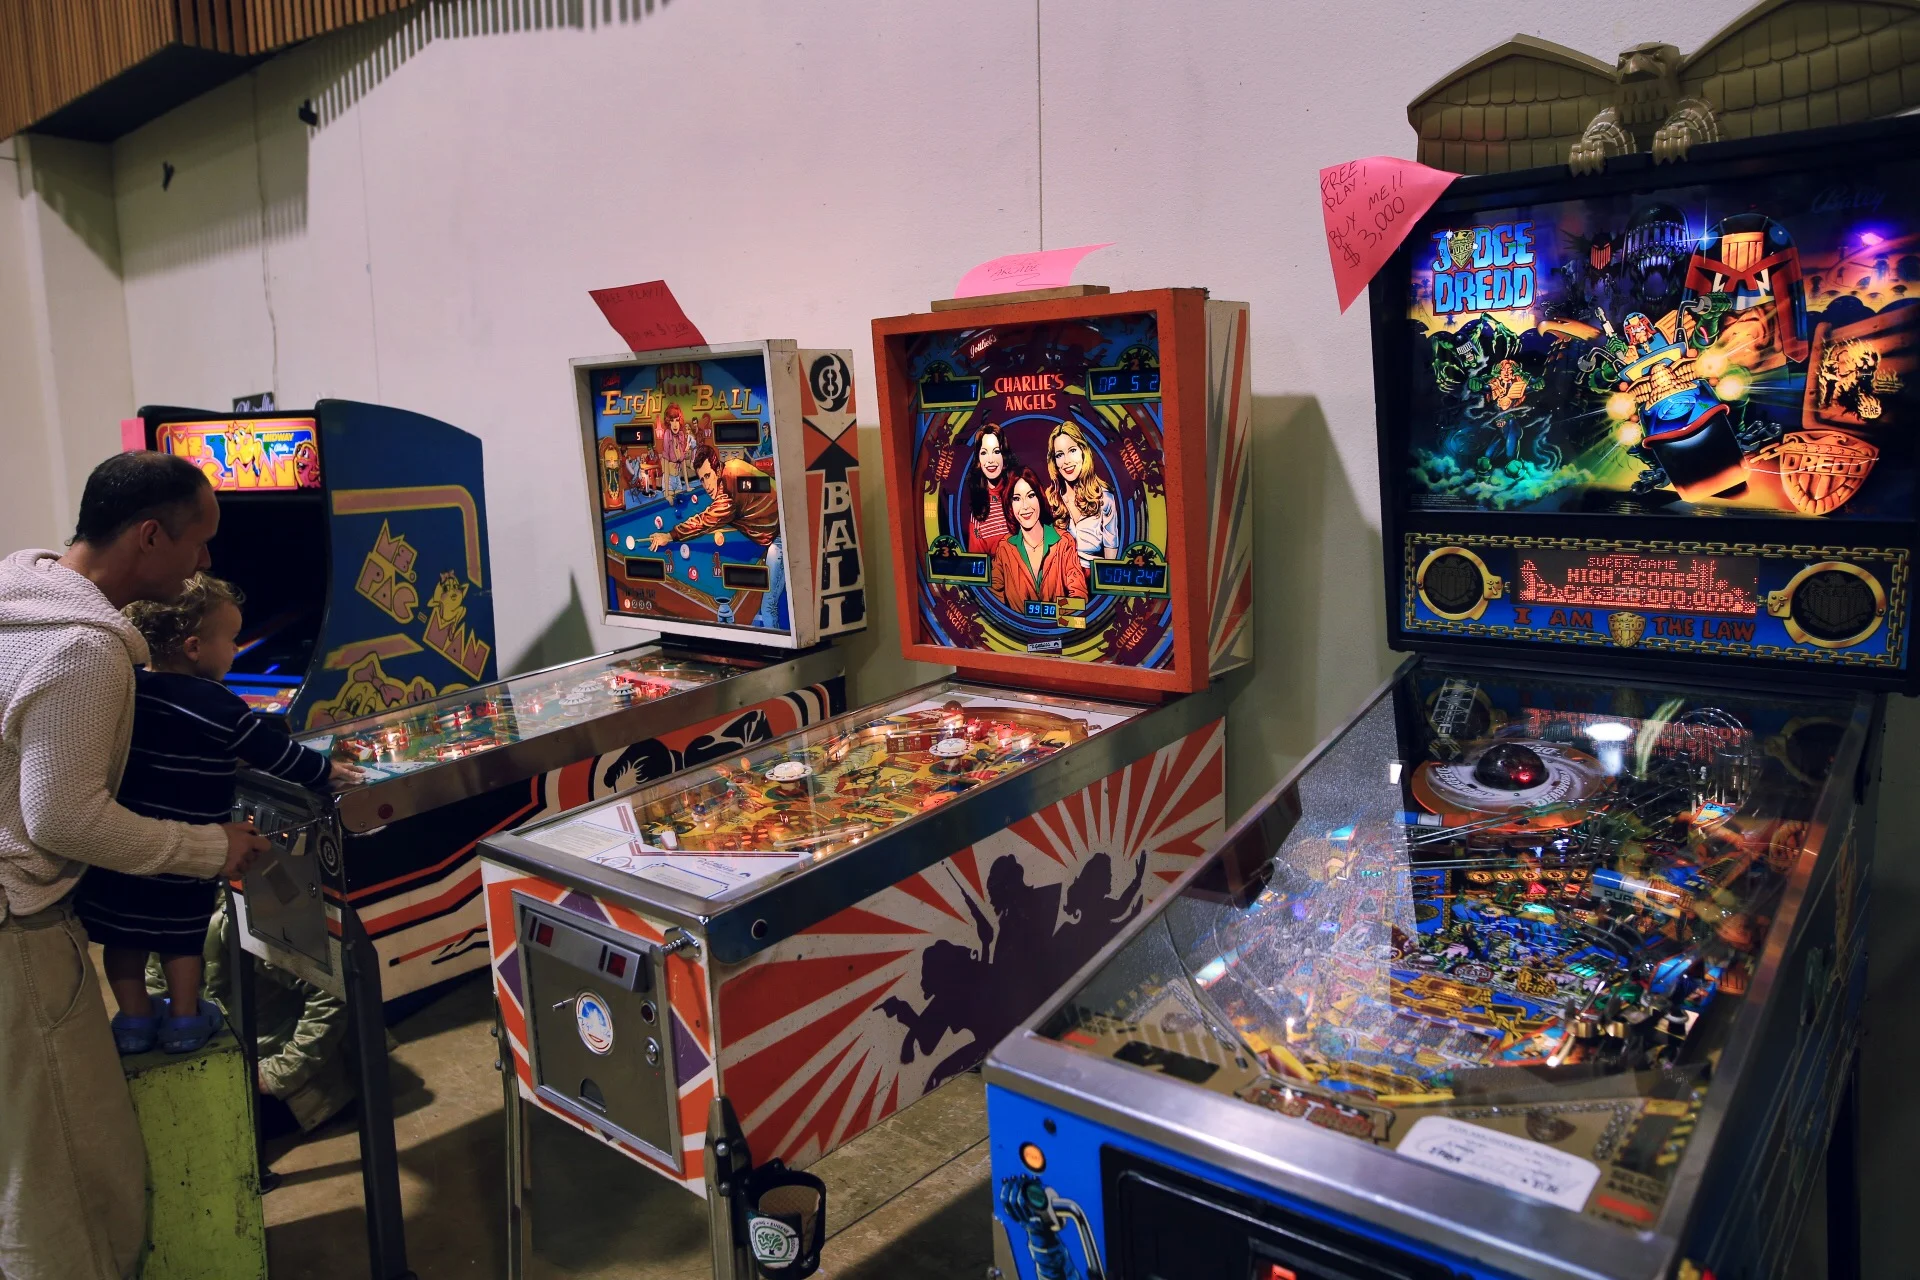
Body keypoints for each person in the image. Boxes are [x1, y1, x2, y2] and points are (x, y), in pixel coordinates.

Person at [0, 450, 269, 1280]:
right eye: (200, 541)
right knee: (75, 1178)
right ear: (150, 535)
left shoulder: (18, 596)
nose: (207, 562)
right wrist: (209, 848)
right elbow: (65, 816)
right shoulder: (81, 649)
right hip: (14, 930)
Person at [75, 573, 352, 1055]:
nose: (238, 648)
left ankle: (135, 1020)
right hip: (189, 845)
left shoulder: (128, 687)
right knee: (182, 937)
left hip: (127, 843)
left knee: (124, 936)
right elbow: (274, 754)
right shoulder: (216, 703)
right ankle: (184, 1019)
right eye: (230, 638)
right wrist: (327, 771)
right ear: (193, 647)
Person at [648, 444, 786, 629]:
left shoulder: (728, 494)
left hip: (782, 535)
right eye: (701, 479)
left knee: (768, 608)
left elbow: (704, 521)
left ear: (718, 469)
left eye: (708, 476)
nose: (705, 486)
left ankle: (778, 652)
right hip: (777, 520)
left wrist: (669, 536)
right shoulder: (733, 465)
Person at [989, 469, 1087, 614]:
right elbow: (993, 603)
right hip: (1017, 635)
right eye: (1016, 498)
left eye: (1031, 496)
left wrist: (1046, 619)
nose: (1025, 506)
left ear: (1040, 498)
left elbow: (1080, 600)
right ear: (1010, 505)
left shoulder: (1064, 542)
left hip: (1059, 633)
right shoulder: (1005, 548)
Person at [1045, 420, 1119, 565]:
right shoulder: (1051, 499)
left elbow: (1111, 561)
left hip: (1093, 578)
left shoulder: (1104, 498)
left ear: (1083, 452)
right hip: (1060, 580)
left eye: (1072, 451)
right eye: (1059, 455)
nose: (1066, 461)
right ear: (1054, 461)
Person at [963, 426, 1019, 554]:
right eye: (984, 453)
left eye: (996, 451)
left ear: (1004, 456)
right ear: (979, 461)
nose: (990, 460)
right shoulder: (979, 513)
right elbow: (979, 566)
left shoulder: (1021, 493)